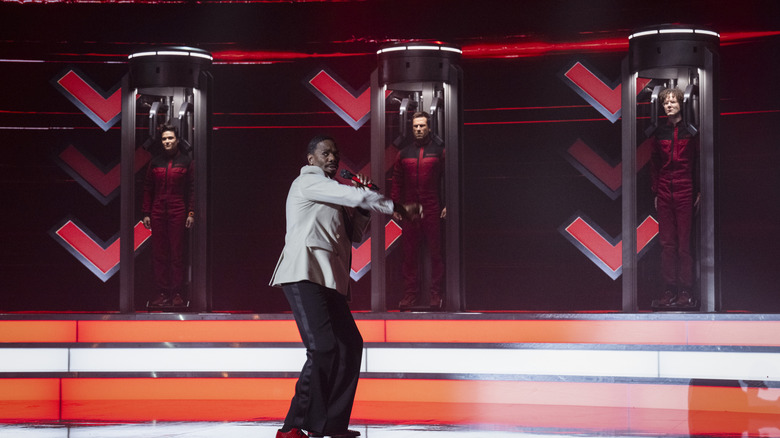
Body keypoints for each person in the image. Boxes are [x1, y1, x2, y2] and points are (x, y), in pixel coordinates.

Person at [269, 135, 421, 438]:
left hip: (327, 279)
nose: (333, 158)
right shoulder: (307, 182)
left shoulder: (331, 191)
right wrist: (394, 206)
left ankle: (332, 423)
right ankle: (292, 427)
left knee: (350, 344)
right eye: (326, 153)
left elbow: (353, 235)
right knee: (323, 347)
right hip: (304, 273)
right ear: (311, 159)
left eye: (335, 154)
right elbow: (352, 197)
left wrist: (364, 203)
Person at [390, 111, 446, 310]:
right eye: (415, 126)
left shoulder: (439, 151)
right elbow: (397, 181)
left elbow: (448, 178)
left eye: (422, 126)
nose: (419, 129)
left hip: (432, 207)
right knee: (409, 255)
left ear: (429, 127)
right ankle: (410, 295)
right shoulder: (403, 153)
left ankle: (436, 294)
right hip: (410, 209)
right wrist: (395, 206)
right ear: (411, 128)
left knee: (436, 254)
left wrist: (447, 204)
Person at [650, 88, 699, 307]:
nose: (669, 106)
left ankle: (686, 291)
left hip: (685, 189)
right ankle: (669, 289)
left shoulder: (691, 131)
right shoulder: (659, 132)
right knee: (667, 244)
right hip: (664, 190)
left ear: (681, 103)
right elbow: (654, 164)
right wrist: (655, 191)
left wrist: (700, 190)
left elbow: (699, 161)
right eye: (665, 103)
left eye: (672, 102)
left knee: (684, 244)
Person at [142, 124, 195, 307]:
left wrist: (191, 212)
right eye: (164, 139)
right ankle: (163, 293)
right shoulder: (155, 162)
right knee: (159, 253)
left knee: (177, 253)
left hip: (178, 209)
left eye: (170, 138)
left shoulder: (186, 162)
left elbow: (192, 189)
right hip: (157, 211)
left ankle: (177, 293)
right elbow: (148, 188)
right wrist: (146, 212)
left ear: (177, 140)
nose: (167, 141)